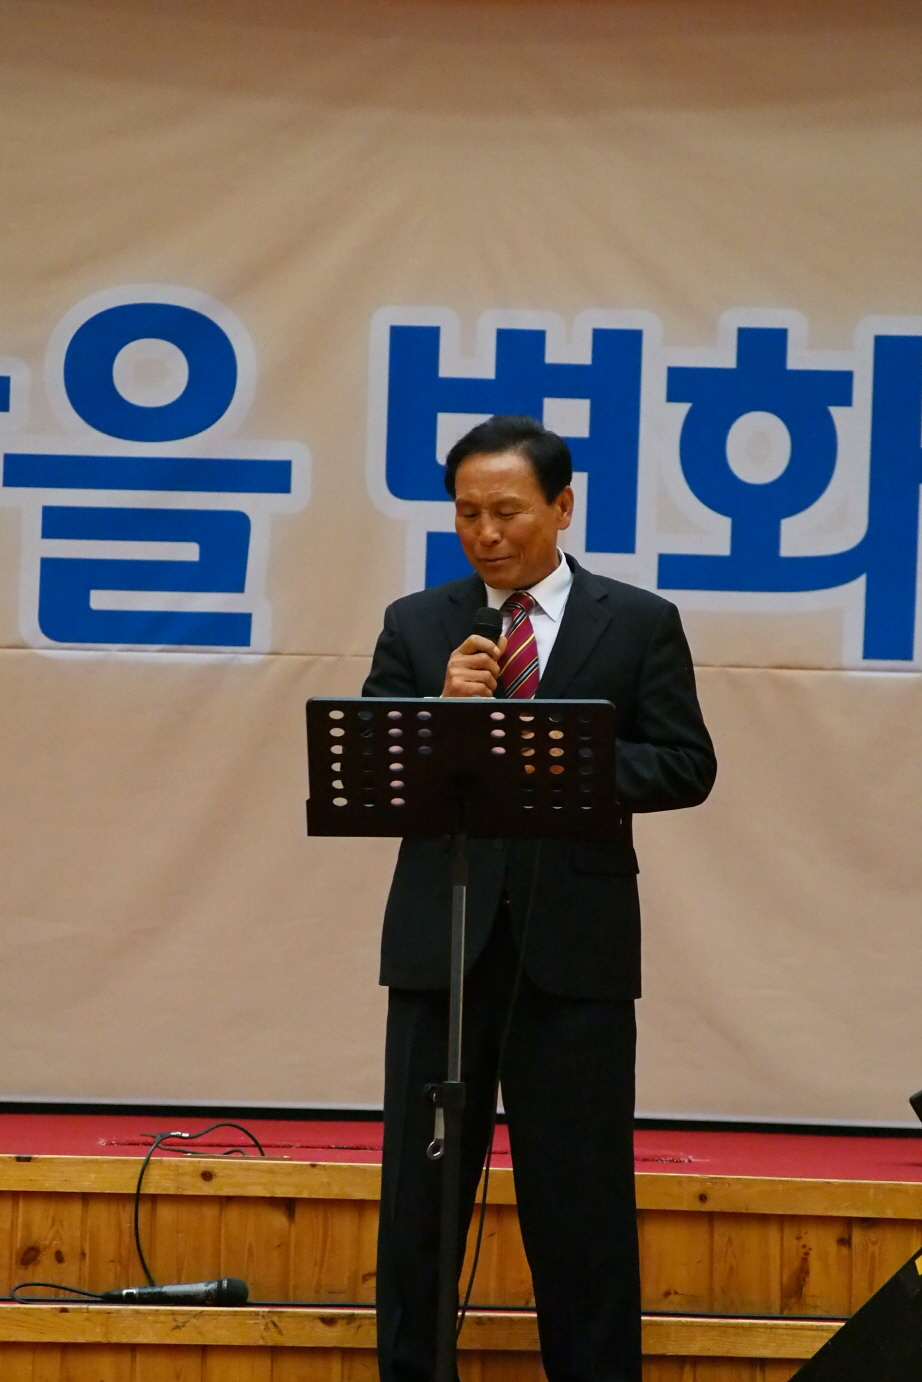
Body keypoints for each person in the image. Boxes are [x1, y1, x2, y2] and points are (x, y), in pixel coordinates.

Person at [363, 414, 717, 1382]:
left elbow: (685, 763)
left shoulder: (636, 621)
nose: (486, 534)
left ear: (562, 507)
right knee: (420, 1203)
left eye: (508, 511)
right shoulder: (419, 624)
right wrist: (440, 715)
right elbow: (373, 768)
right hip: (443, 945)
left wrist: (562, 754)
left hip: (575, 951)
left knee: (581, 1207)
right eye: (467, 513)